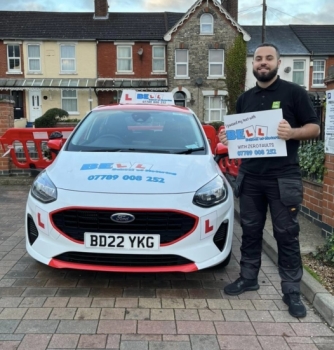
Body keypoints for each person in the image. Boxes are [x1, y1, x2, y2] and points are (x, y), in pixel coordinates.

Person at [219, 43, 320, 318]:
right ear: (253, 65)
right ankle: (249, 278)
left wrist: (292, 132)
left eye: (268, 58)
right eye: (258, 59)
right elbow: (238, 136)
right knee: (250, 230)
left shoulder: (294, 93)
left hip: (283, 176)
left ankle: (291, 291)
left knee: (286, 234)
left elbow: (315, 127)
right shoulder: (244, 98)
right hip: (250, 176)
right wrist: (228, 139)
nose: (262, 63)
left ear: (278, 62)